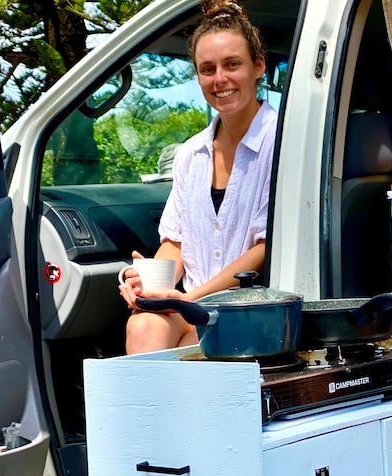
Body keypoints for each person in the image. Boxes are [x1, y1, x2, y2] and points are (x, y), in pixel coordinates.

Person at [118, 0, 276, 354]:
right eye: (207, 69)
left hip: (251, 308)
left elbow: (264, 250)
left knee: (196, 343)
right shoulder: (190, 154)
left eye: (232, 64)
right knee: (142, 323)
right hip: (195, 302)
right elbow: (175, 242)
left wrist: (187, 298)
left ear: (258, 66)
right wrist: (149, 283)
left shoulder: (280, 143)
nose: (219, 79)